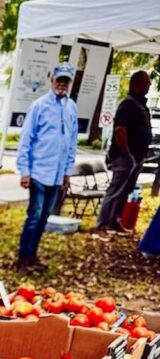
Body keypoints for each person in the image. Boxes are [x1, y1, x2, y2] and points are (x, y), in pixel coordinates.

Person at [16, 63, 79, 271]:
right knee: (33, 216)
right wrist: (25, 171)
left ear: (70, 83)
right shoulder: (39, 106)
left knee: (44, 217)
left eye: (66, 81)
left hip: (57, 174)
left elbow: (71, 143)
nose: (62, 84)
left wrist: (67, 172)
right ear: (52, 80)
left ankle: (33, 256)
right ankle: (23, 259)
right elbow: (26, 139)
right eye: (58, 79)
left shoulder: (71, 107)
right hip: (38, 172)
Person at [94, 71, 152, 236]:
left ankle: (115, 222)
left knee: (125, 190)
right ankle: (102, 225)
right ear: (136, 85)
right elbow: (120, 129)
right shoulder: (128, 105)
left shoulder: (140, 104)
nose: (149, 86)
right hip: (125, 156)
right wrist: (126, 154)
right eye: (146, 82)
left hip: (138, 155)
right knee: (115, 190)